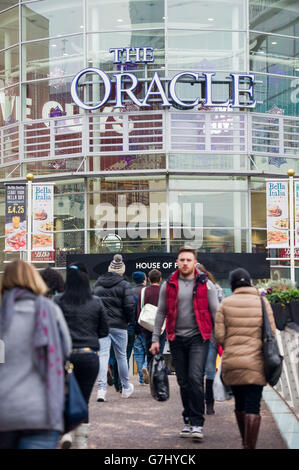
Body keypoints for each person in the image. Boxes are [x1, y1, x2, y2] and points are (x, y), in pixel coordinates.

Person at [0, 260, 72, 450]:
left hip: (4, 411)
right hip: (43, 411)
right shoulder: (51, 311)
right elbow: (66, 350)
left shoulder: (2, 317)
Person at [150, 246, 219, 441]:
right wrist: (156, 338)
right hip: (176, 338)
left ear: (195, 263)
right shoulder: (169, 284)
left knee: (196, 378)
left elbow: (216, 313)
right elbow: (161, 312)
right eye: (182, 260)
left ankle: (197, 423)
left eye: (189, 260)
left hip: (199, 338)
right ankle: (187, 419)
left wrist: (218, 338)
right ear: (177, 262)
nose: (185, 263)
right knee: (183, 382)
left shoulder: (206, 285)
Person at [215, 268, 276, 449]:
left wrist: (232, 347)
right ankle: (249, 446)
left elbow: (219, 335)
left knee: (239, 403)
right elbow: (271, 332)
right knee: (253, 405)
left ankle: (244, 440)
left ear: (232, 284)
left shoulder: (225, 304)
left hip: (233, 361)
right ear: (249, 282)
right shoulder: (262, 302)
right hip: (257, 362)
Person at [54, 262, 109, 449]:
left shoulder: (58, 301)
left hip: (64, 357)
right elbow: (104, 331)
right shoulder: (96, 302)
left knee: (63, 395)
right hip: (88, 356)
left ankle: (66, 431)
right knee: (83, 399)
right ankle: (81, 441)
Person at [92, 254, 135, 402]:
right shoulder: (124, 284)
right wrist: (129, 321)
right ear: (122, 270)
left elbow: (92, 303)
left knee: (103, 356)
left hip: (102, 326)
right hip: (120, 325)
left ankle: (101, 390)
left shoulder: (98, 283)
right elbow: (130, 306)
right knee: (121, 356)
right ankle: (125, 387)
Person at [196, 263, 224, 415]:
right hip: (208, 335)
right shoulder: (217, 288)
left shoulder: (214, 289)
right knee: (208, 369)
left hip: (205, 335)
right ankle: (209, 403)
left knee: (202, 371)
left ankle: (206, 402)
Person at [137, 269, 166, 367]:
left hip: (146, 326)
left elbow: (140, 308)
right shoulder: (164, 290)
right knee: (159, 352)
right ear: (160, 279)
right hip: (161, 327)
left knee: (149, 352)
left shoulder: (144, 291)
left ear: (149, 279)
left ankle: (150, 374)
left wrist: (140, 327)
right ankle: (157, 375)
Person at [132, 271, 149, 385]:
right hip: (146, 326)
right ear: (144, 280)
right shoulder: (146, 291)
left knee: (138, 352)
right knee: (149, 351)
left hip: (134, 328)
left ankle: (142, 379)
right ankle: (145, 367)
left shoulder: (130, 292)